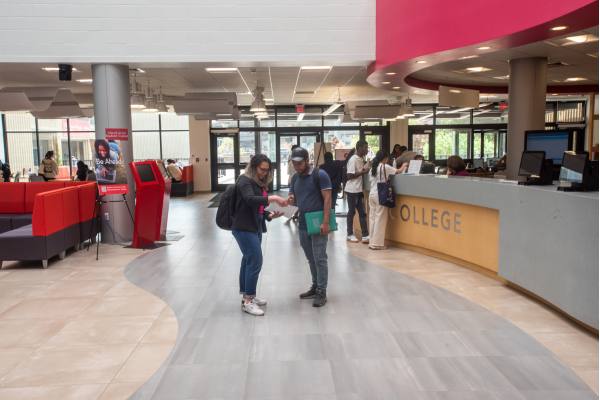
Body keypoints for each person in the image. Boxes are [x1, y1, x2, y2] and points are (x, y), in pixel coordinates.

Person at [232, 154, 287, 316]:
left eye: (267, 170)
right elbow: (249, 200)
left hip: (254, 227)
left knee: (248, 260)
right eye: (262, 169)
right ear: (254, 167)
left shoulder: (259, 183)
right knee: (255, 260)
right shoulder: (244, 180)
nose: (264, 173)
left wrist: (270, 216)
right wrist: (274, 198)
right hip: (243, 228)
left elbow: (258, 208)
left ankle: (247, 296)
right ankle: (248, 301)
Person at [288, 147, 332, 307]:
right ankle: (315, 286)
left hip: (318, 221)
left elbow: (328, 199)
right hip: (303, 223)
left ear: (307, 160)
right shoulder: (294, 178)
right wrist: (290, 199)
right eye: (294, 163)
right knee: (310, 258)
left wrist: (325, 222)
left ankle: (322, 291)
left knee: (320, 257)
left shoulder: (319, 175)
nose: (297, 166)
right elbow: (293, 200)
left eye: (299, 163)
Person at [368, 151, 407, 250]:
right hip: (380, 195)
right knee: (380, 219)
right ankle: (377, 244)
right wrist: (404, 165)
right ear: (384, 158)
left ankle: (371, 241)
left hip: (371, 194)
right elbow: (398, 171)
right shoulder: (384, 166)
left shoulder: (373, 167)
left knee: (372, 218)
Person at [344, 140, 370, 243]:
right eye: (365, 147)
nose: (367, 150)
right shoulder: (353, 159)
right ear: (359, 148)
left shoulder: (360, 159)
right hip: (352, 190)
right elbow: (349, 175)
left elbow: (360, 171)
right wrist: (363, 172)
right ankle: (349, 234)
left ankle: (365, 235)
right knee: (351, 212)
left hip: (358, 190)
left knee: (362, 213)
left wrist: (367, 166)